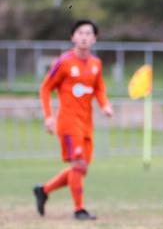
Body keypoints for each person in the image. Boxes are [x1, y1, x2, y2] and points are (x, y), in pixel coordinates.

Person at [33, 19, 113, 220]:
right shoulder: (64, 62)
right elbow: (45, 88)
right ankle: (79, 210)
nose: (84, 37)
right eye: (80, 33)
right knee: (78, 164)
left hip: (87, 123)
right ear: (72, 37)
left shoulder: (96, 64)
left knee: (81, 169)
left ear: (94, 39)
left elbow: (99, 88)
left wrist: (105, 105)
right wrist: (48, 116)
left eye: (88, 33)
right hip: (68, 122)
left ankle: (43, 190)